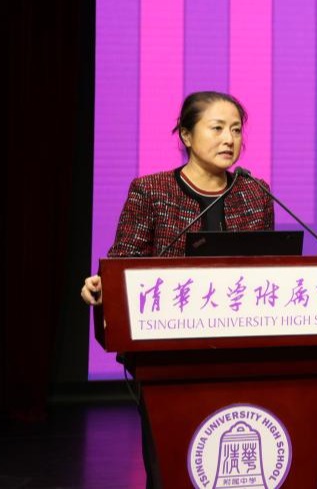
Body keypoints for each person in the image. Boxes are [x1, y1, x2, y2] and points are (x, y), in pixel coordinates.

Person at [80, 91, 274, 487]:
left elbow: (269, 271)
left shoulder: (256, 192)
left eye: (236, 130)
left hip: (243, 352)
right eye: (217, 128)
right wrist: (102, 288)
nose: (229, 139)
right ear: (186, 134)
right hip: (168, 354)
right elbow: (123, 264)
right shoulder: (152, 192)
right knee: (173, 467)